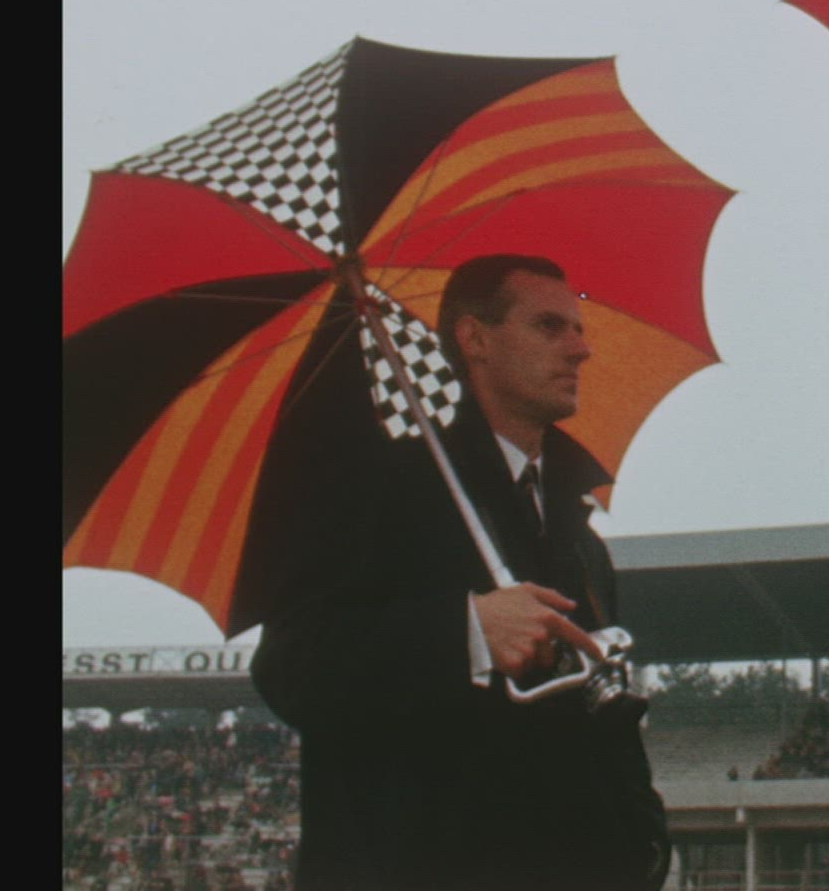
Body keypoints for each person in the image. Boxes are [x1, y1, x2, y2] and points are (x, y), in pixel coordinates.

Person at [251, 254, 669, 891]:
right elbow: (291, 667)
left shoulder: (582, 540)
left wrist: (644, 846)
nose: (580, 349)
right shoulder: (371, 489)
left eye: (578, 329)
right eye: (549, 326)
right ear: (475, 339)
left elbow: (605, 722)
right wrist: (467, 631)